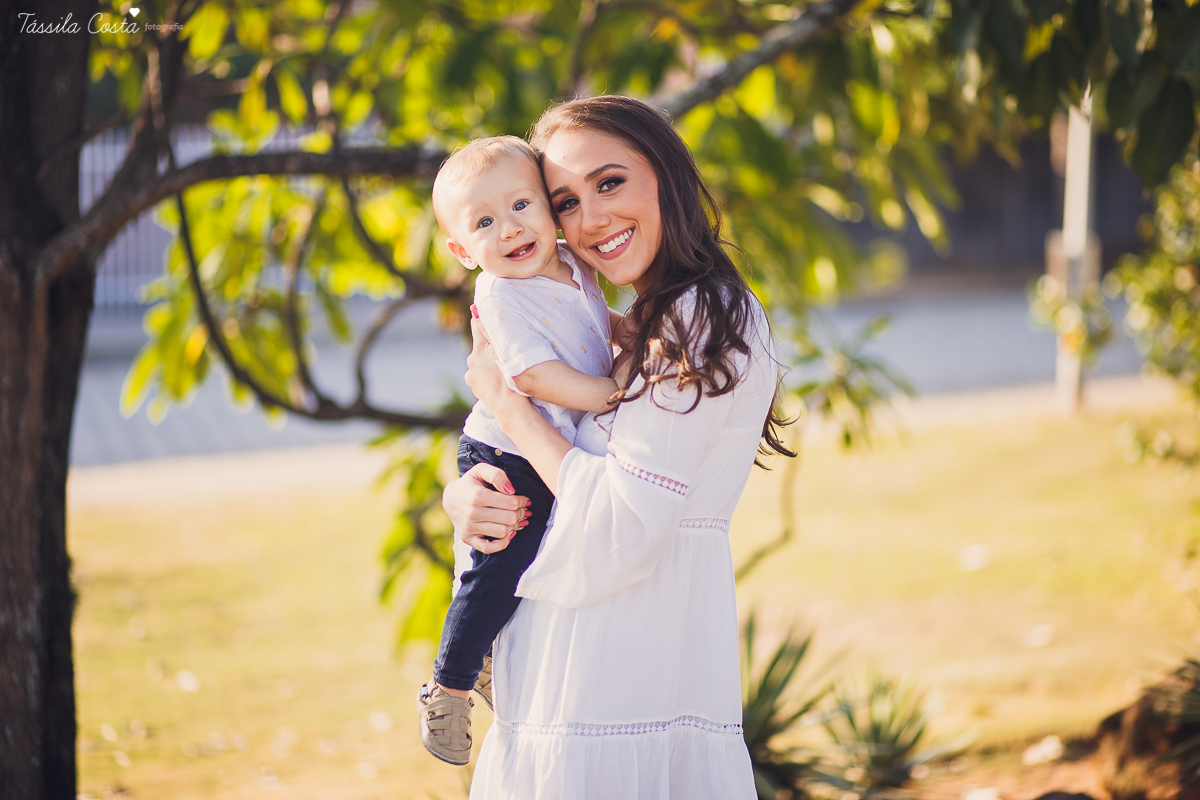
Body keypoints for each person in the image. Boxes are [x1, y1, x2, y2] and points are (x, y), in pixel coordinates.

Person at [443, 95, 792, 799]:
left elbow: (618, 524)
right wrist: (469, 499)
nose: (590, 219)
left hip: (620, 688)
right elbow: (570, 475)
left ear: (664, 174)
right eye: (565, 200)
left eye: (610, 183)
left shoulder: (700, 316)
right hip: (571, 687)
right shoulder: (638, 323)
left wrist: (510, 408)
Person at [420, 135, 634, 766]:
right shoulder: (500, 294)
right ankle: (449, 686)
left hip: (543, 442)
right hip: (505, 449)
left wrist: (639, 330)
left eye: (521, 206)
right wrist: (605, 391)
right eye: (485, 223)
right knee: (498, 567)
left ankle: (485, 654)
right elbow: (533, 376)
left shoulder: (575, 263)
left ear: (548, 207)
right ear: (462, 251)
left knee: (538, 558)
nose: (510, 229)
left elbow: (600, 322)